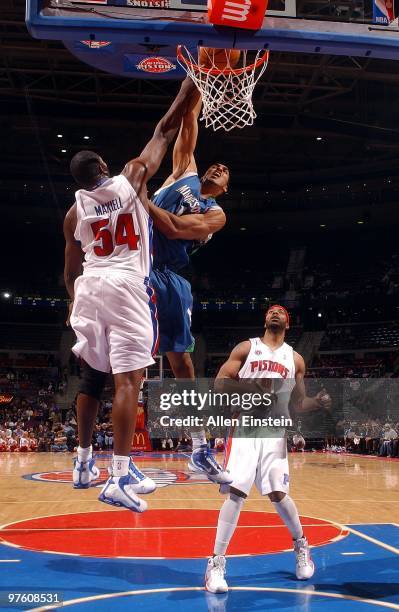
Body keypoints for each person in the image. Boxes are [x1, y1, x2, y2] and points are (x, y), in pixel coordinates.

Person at [63, 76, 197, 513]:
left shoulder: (74, 211)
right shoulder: (132, 179)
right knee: (129, 382)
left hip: (88, 287)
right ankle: (119, 476)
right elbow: (165, 128)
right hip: (124, 284)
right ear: (104, 165)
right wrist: (191, 84)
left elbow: (69, 271)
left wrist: (73, 305)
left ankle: (84, 464)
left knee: (92, 378)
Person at [205, 305, 332, 593]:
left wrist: (318, 403)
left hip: (275, 432)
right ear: (265, 319)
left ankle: (301, 546)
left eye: (281, 311)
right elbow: (220, 383)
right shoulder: (247, 348)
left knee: (278, 494)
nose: (275, 313)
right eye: (271, 310)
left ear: (289, 321)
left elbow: (299, 403)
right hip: (246, 427)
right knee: (236, 493)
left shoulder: (296, 359)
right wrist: (250, 391)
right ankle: (216, 563)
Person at [147, 96, 231, 484]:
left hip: (170, 278)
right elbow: (188, 118)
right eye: (216, 163)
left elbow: (176, 229)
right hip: (136, 267)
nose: (218, 166)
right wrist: (198, 82)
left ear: (224, 188)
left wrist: (141, 199)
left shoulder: (215, 214)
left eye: (225, 171)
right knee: (126, 359)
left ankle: (199, 447)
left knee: (182, 364)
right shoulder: (184, 169)